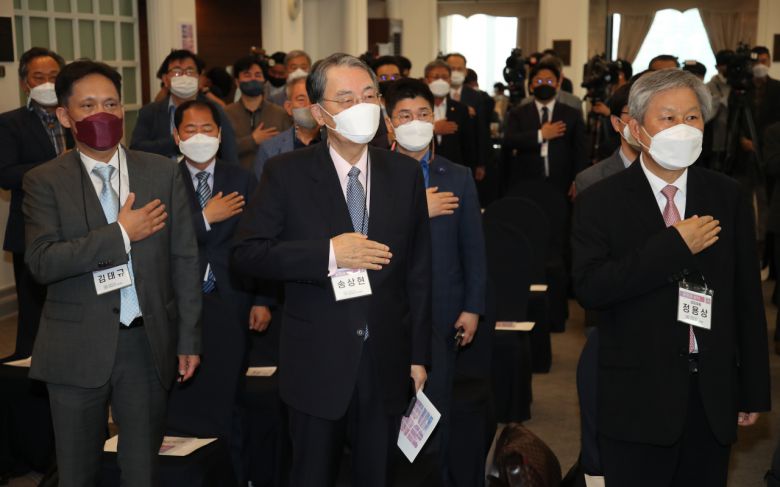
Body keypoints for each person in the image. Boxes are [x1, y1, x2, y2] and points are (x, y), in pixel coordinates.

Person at [232, 53, 432, 487]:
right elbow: (247, 253)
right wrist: (327, 254)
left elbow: (418, 272)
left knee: (377, 475)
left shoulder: (404, 174)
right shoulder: (286, 172)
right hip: (316, 361)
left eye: (368, 95)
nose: (361, 106)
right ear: (320, 113)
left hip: (386, 360)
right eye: (345, 98)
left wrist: (419, 355)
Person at [572, 69, 770, 486]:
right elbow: (592, 289)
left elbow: (747, 299)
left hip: (711, 392)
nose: (682, 128)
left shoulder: (726, 194)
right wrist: (673, 246)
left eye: (692, 117)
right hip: (636, 397)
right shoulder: (598, 201)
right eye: (668, 118)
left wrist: (751, 386)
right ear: (634, 127)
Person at [23, 60, 202, 486]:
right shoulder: (43, 180)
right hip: (75, 346)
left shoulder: (160, 171)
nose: (102, 113)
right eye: (87, 105)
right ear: (65, 116)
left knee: (142, 470)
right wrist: (122, 233)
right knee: (78, 472)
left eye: (111, 103)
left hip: (145, 342)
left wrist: (189, 337)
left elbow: (184, 258)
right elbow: (42, 261)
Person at [383, 77, 486, 486]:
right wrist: (415, 209)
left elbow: (473, 249)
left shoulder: (456, 175)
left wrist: (473, 306)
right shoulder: (373, 173)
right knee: (388, 416)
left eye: (424, 114)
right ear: (389, 125)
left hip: (443, 313)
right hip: (388, 314)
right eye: (405, 115)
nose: (416, 122)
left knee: (434, 412)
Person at [164, 99, 270, 482]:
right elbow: (158, 240)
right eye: (189, 130)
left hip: (232, 298)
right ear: (176, 136)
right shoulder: (161, 179)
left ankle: (237, 473)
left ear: (221, 134)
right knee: (184, 393)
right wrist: (205, 219)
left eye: (207, 129)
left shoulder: (241, 178)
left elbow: (261, 242)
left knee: (231, 395)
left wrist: (261, 299)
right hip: (179, 302)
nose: (199, 137)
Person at [0, 47, 70, 360]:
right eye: (37, 77)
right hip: (29, 231)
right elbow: (6, 174)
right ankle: (29, 374)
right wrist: (56, 165)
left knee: (72, 308)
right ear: (25, 83)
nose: (45, 83)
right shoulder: (10, 123)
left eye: (53, 77)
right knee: (32, 314)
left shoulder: (76, 117)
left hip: (75, 229)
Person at [130, 49, 239, 164]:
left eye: (190, 71)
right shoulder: (150, 112)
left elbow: (230, 153)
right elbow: (136, 149)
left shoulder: (214, 110)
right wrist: (178, 142)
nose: (184, 76)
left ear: (200, 77)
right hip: (161, 178)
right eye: (177, 72)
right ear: (165, 79)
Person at [503, 61, 588, 198]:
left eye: (549, 80)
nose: (544, 84)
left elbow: (580, 151)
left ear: (557, 84)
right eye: (539, 80)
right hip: (526, 183)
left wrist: (578, 180)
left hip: (562, 185)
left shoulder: (572, 114)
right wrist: (540, 134)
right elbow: (509, 140)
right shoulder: (518, 113)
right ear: (531, 86)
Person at [224, 55, 292, 171]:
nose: (253, 79)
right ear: (237, 81)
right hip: (236, 180)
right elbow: (222, 150)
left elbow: (289, 149)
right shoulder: (226, 114)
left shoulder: (280, 114)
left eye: (257, 75)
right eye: (247, 75)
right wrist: (252, 140)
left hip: (273, 180)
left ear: (264, 80)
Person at [254, 72, 322, 180]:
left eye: (314, 99)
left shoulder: (336, 144)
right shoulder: (270, 149)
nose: (309, 105)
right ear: (289, 107)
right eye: (301, 99)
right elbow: (262, 193)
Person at [575, 84, 637, 193]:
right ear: (616, 122)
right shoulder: (591, 180)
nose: (643, 121)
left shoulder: (673, 172)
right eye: (634, 113)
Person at [424, 59, 477, 171]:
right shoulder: (417, 108)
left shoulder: (461, 109)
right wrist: (433, 129)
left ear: (450, 80)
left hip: (454, 168)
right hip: (424, 167)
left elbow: (468, 145)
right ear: (426, 80)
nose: (440, 81)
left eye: (444, 77)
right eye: (436, 77)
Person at [445, 53, 490, 181]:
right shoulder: (436, 94)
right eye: (452, 69)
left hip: (468, 156)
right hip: (444, 154)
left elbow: (482, 131)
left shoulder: (476, 96)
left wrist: (481, 163)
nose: (455, 72)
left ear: (465, 71)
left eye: (459, 69)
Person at [706, 50, 733, 172]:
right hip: (716, 140)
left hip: (737, 141)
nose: (729, 67)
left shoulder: (741, 85)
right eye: (725, 64)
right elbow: (707, 115)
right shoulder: (709, 86)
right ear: (717, 67)